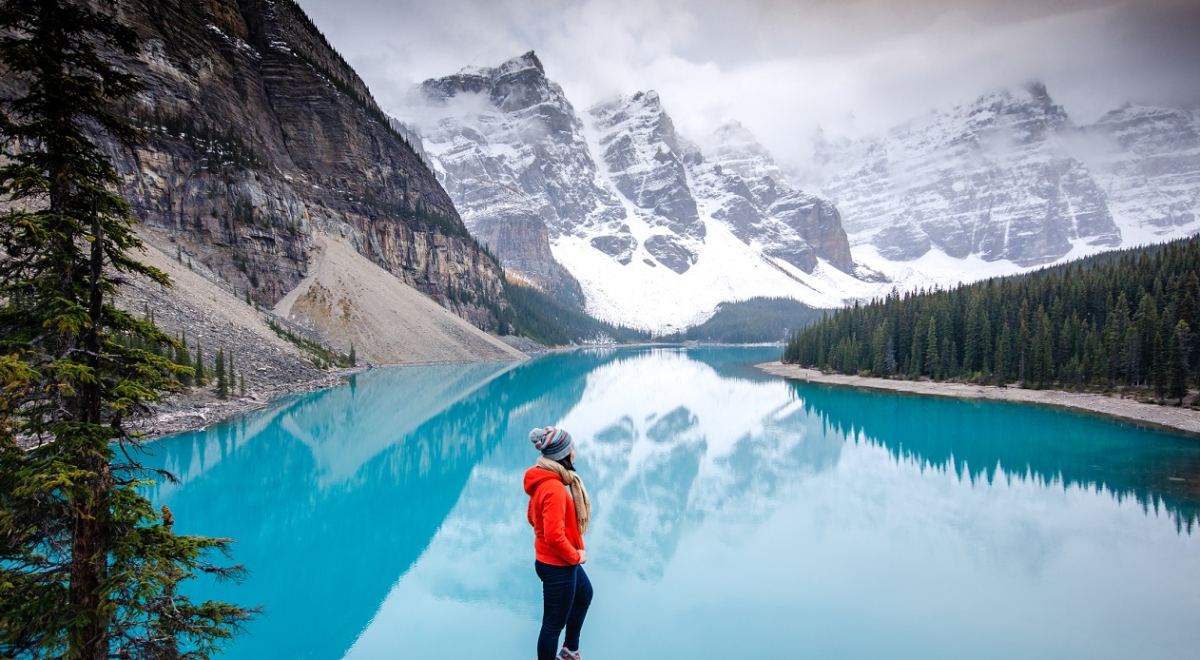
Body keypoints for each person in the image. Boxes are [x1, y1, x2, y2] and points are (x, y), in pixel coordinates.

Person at [525, 426, 594, 660]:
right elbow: (554, 537)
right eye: (571, 448)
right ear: (564, 454)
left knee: (584, 595)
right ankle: (564, 653)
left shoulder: (544, 480)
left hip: (552, 560)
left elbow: (532, 517)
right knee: (553, 625)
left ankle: (569, 651)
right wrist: (576, 556)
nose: (574, 452)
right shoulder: (554, 488)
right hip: (558, 565)